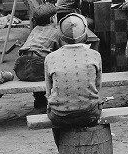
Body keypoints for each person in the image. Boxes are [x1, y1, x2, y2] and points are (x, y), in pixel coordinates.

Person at [44, 13, 103, 147]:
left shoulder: (50, 58)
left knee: (57, 123)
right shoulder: (95, 55)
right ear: (85, 32)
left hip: (59, 115)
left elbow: (48, 92)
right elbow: (97, 87)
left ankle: (63, 150)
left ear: (60, 34)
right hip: (89, 113)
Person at [13, 3, 61, 109]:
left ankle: (39, 98)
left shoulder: (34, 30)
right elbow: (60, 52)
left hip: (21, 67)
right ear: (53, 18)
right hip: (38, 68)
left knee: (38, 61)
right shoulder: (56, 32)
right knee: (55, 65)